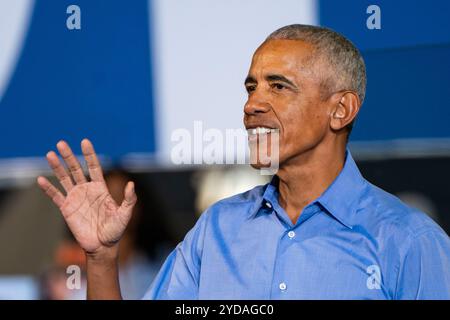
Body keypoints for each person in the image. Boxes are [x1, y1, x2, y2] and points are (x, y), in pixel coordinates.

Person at [37, 24, 450, 299]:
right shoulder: (217, 229)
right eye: (251, 87)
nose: (253, 104)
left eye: (279, 86)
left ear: (341, 110)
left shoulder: (410, 243)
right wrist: (102, 257)